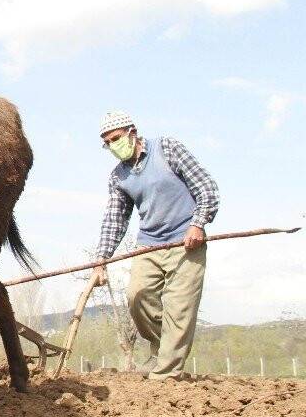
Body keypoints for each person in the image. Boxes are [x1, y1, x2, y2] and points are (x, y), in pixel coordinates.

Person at [92, 111, 219, 380]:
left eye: (116, 138)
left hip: (186, 241)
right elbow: (114, 219)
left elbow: (206, 187)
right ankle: (163, 349)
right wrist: (101, 259)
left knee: (178, 307)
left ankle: (166, 374)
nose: (114, 146)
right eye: (108, 143)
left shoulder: (167, 149)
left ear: (132, 132)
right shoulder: (118, 177)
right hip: (149, 244)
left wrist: (198, 224)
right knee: (137, 296)